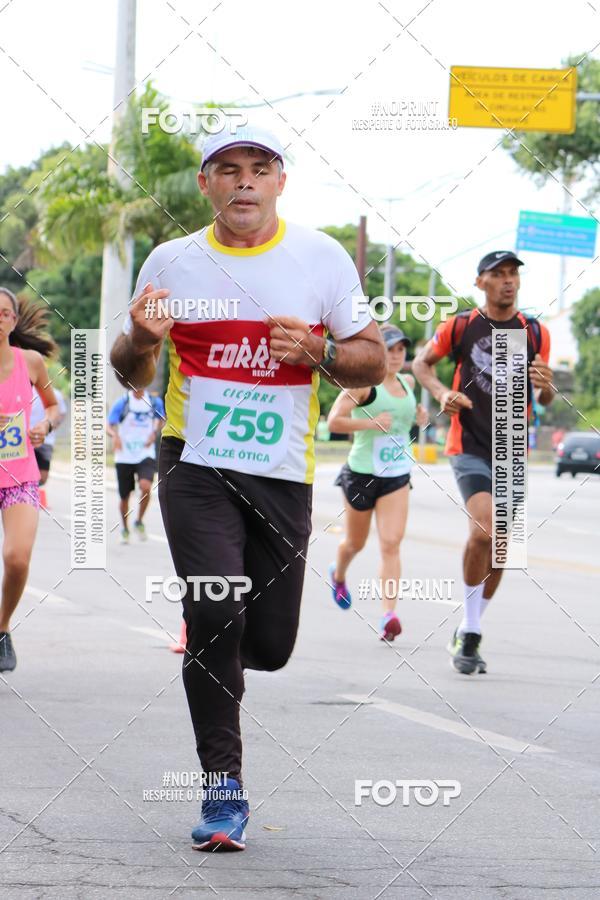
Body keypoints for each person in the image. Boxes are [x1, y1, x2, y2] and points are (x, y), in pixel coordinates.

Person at [110, 125, 386, 851]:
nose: (243, 182)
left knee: (267, 643)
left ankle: (218, 632)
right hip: (192, 464)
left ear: (279, 182)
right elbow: (131, 370)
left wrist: (322, 349)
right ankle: (222, 789)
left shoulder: (319, 258)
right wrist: (141, 339)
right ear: (206, 184)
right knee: (216, 606)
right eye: (227, 170)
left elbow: (371, 364)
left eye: (258, 169)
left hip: (281, 477)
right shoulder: (173, 261)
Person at [412, 251, 554, 674]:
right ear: (481, 283)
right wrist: (440, 393)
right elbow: (421, 364)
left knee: (504, 548)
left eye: (513, 274)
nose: (508, 281)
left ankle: (469, 629)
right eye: (498, 275)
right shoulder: (461, 326)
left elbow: (544, 397)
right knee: (484, 531)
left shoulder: (535, 331)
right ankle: (470, 629)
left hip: (511, 446)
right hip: (469, 442)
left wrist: (546, 387)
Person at [327, 325, 427, 640]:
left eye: (401, 350)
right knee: (355, 543)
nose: (396, 356)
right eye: (391, 349)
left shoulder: (408, 383)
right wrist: (367, 423)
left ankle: (388, 616)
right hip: (361, 472)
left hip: (396, 473)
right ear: (378, 351)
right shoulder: (364, 386)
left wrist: (418, 417)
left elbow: (403, 419)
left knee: (391, 543)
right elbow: (334, 421)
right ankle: (338, 573)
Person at [0, 288, 59, 672]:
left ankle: (1, 629)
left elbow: (53, 406)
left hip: (18, 473)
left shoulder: (31, 362)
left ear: (14, 320)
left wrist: (44, 424)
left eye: (5, 312)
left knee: (17, 558)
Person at [106, 388, 165, 543]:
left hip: (145, 452)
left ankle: (139, 521)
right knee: (125, 497)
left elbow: (162, 419)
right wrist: (114, 436)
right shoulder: (123, 402)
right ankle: (125, 528)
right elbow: (108, 425)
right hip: (124, 455)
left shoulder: (153, 402)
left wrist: (155, 433)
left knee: (146, 487)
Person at [30, 385, 67, 486]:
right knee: (25, 473)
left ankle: (32, 492)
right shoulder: (27, 390)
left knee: (42, 477)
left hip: (46, 440)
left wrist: (51, 427)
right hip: (27, 439)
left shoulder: (56, 394)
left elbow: (62, 413)